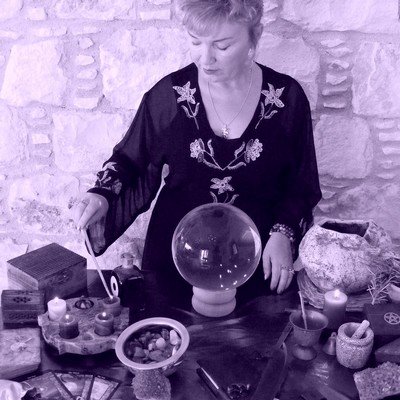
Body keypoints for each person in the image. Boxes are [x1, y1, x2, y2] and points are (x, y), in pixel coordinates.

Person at [73, 0, 321, 305]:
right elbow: (129, 160)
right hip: (175, 257)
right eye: (195, 42)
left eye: (222, 45)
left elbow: (301, 182)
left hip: (257, 257)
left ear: (254, 37)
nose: (206, 59)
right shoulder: (169, 97)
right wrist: (100, 194)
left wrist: (284, 233)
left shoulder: (286, 99)